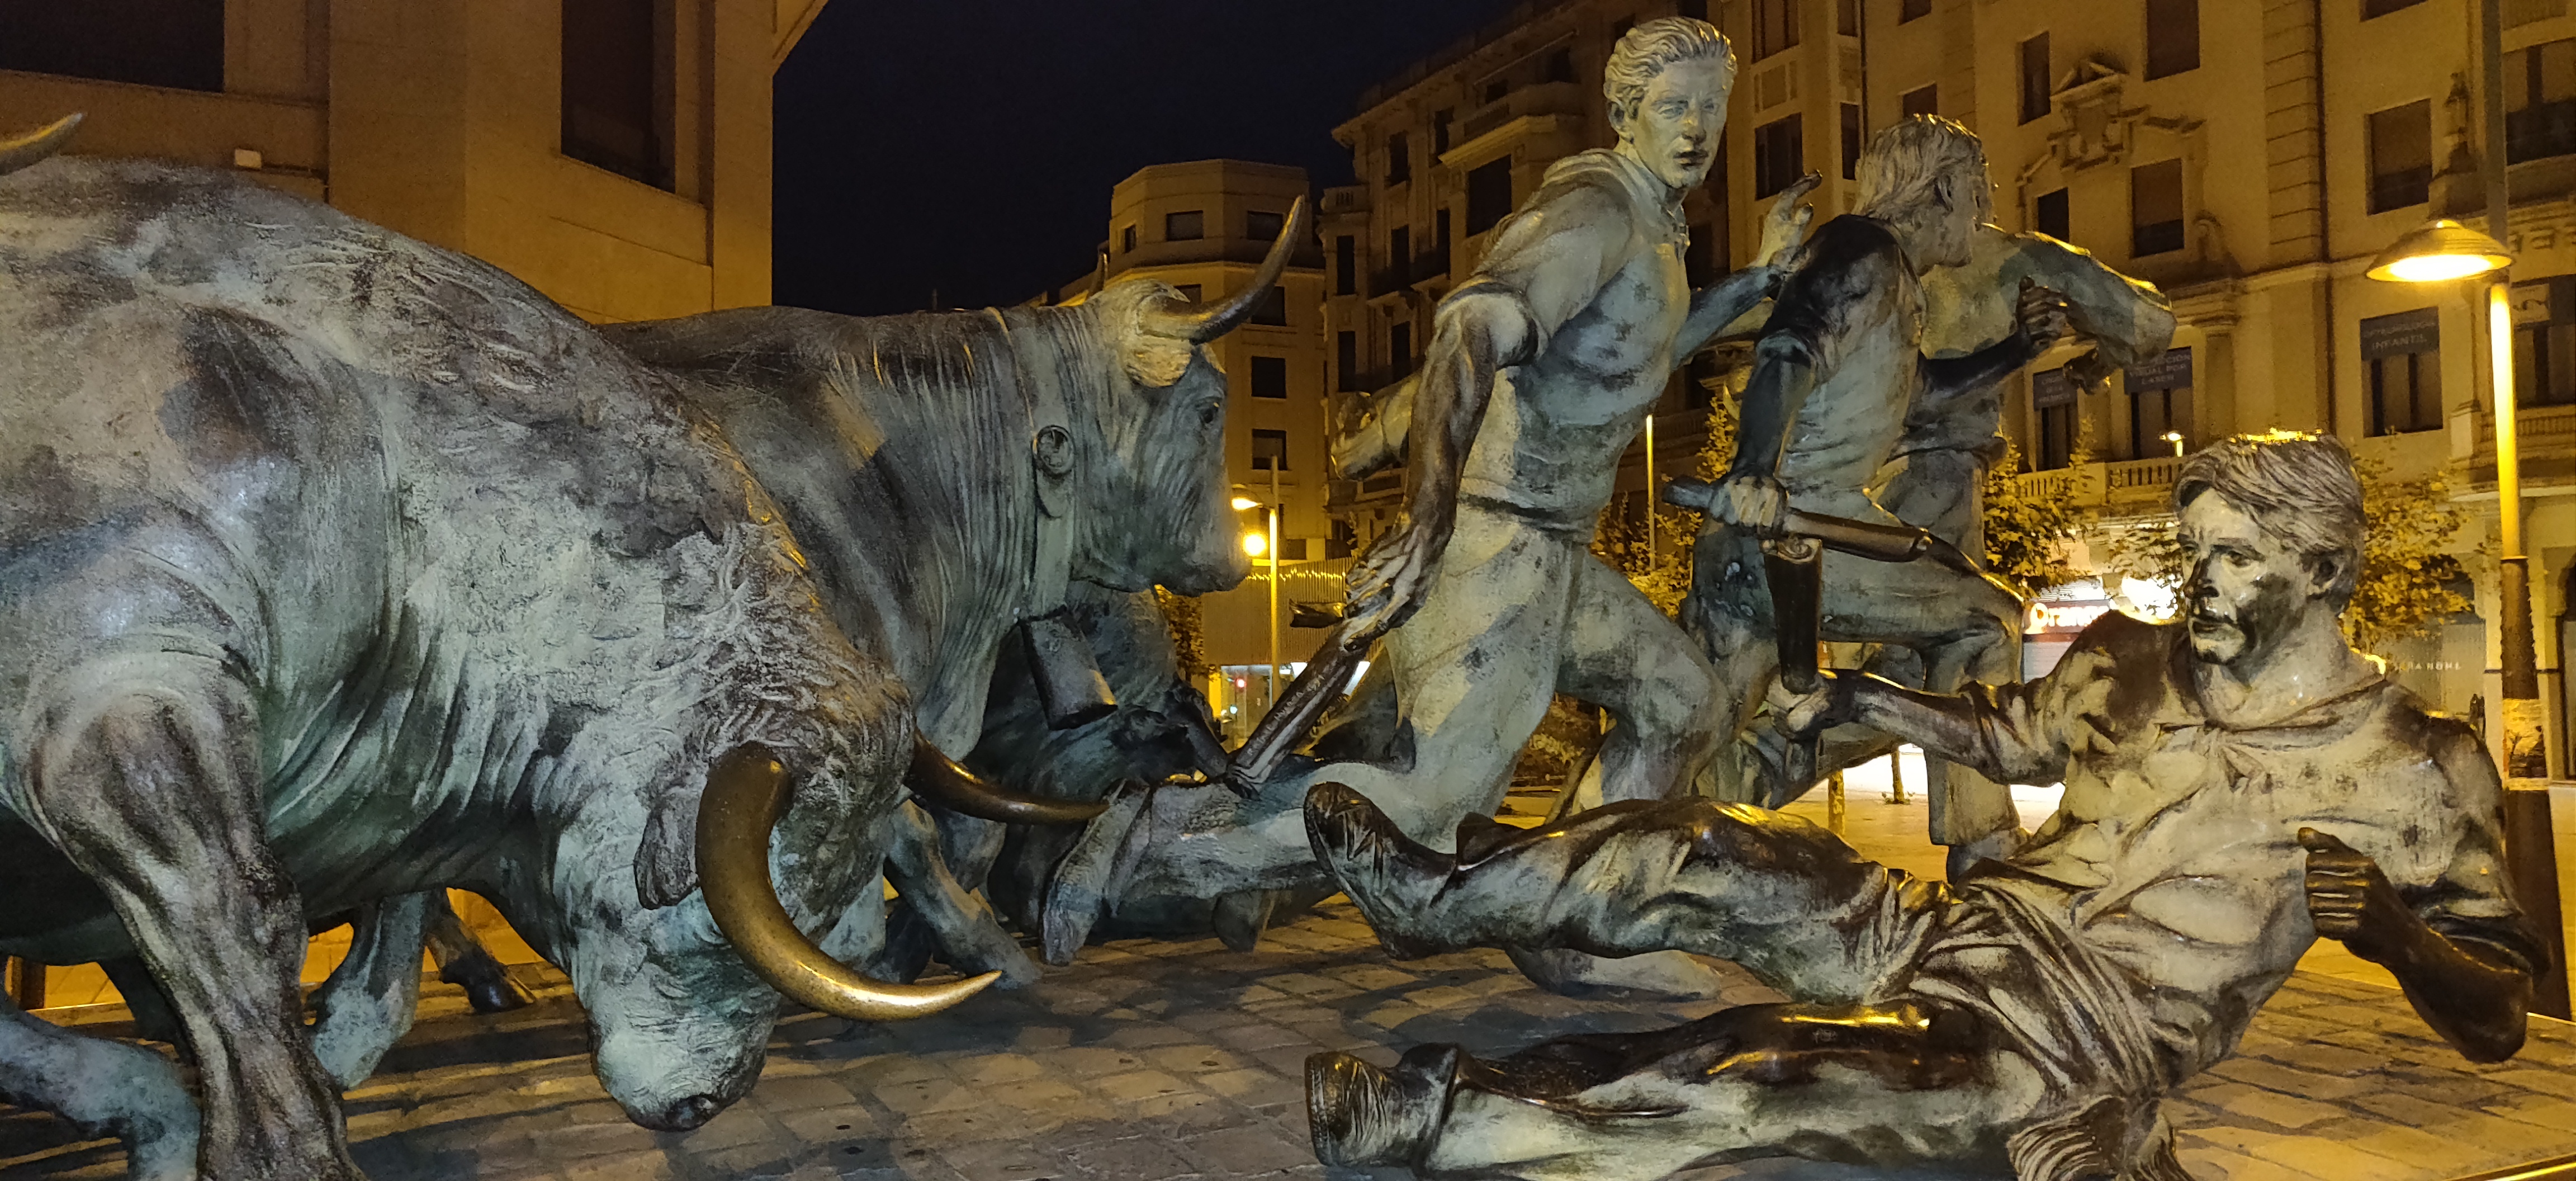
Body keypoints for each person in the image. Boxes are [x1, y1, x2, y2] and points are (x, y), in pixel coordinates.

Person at [1304, 432, 2546, 1181]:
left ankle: (1430, 1115)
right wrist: (1862, 696)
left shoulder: (2418, 767)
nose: (2198, 580)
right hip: (1960, 932)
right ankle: (1428, 896)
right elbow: (2004, 737)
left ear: (2326, 569)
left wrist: (2399, 935)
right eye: (2193, 551)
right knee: (1689, 849)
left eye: (2232, 558)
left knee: (1757, 1062)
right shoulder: (2129, 654)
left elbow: (2500, 1020)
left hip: (2071, 1047)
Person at [1103, 17, 1817, 908]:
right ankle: (1154, 838)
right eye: (1673, 107)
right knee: (1433, 806)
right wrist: (1428, 520)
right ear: (1624, 112)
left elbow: (1645, 350)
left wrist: (1757, 280)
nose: (1696, 129)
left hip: (1554, 547)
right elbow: (1472, 327)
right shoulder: (1595, 209)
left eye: (1711, 108)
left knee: (1685, 703)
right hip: (1497, 536)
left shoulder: (1652, 229)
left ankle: (1577, 914)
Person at [1687, 115, 2063, 848]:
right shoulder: (1862, 251)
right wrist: (1756, 470)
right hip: (1796, 528)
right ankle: (1984, 849)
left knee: (1684, 741)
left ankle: (1728, 790)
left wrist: (2019, 350)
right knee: (1986, 623)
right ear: (1946, 188)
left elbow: (1915, 390)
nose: (1981, 216)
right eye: (1978, 196)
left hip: (1757, 539)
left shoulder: (1892, 278)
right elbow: (1788, 347)